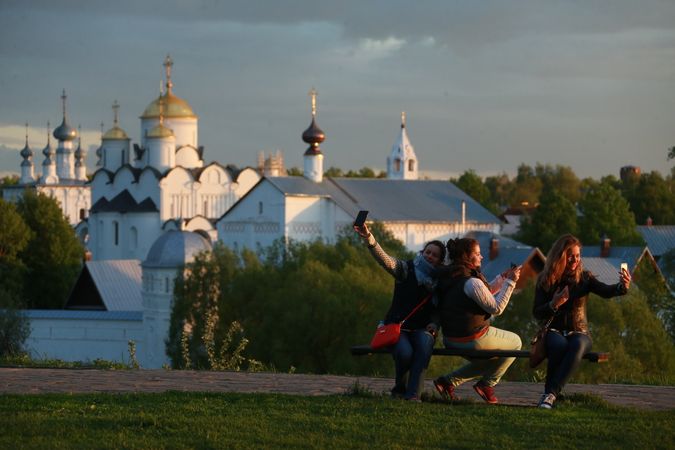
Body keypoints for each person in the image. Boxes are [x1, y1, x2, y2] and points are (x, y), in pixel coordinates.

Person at [533, 234, 631, 409]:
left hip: (580, 332)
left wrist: (621, 287)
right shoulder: (546, 280)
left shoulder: (585, 278)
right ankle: (551, 395)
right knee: (557, 345)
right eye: (571, 256)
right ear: (560, 256)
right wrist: (553, 304)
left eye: (578, 256)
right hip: (554, 330)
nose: (575, 260)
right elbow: (537, 312)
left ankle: (550, 394)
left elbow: (606, 291)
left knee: (577, 345)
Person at [354, 222, 445, 401]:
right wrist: (368, 238)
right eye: (428, 252)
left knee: (424, 347)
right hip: (397, 327)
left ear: (440, 261)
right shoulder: (405, 269)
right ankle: (400, 389)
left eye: (435, 255)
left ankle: (413, 396)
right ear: (422, 252)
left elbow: (439, 308)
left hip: (422, 328)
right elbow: (385, 260)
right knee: (404, 353)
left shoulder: (440, 281)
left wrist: (434, 324)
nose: (430, 257)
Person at [433, 237, 521, 404]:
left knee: (492, 360)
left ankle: (447, 382)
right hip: (471, 339)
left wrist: (502, 279)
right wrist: (511, 282)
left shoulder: (453, 275)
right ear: (467, 256)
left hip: (451, 339)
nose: (481, 257)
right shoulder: (472, 281)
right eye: (478, 254)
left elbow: (482, 296)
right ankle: (487, 384)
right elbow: (497, 308)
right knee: (516, 343)